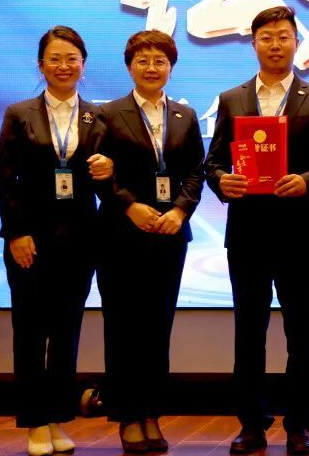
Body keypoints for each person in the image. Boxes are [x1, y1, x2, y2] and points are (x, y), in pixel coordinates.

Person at [205, 5, 309, 455]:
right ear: (254, 44)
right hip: (247, 234)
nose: (275, 45)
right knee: (248, 333)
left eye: (283, 36)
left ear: (295, 42)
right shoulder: (231, 99)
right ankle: (251, 424)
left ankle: (299, 424)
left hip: (299, 234)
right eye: (266, 37)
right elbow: (213, 162)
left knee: (300, 333)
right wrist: (222, 181)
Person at [0, 26, 113, 456]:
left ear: (83, 64)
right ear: (41, 65)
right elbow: (6, 177)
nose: (64, 66)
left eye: (72, 59)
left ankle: (59, 418)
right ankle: (34, 423)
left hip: (80, 240)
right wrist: (16, 232)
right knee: (30, 331)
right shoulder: (19, 113)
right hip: (31, 239)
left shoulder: (98, 116)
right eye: (55, 58)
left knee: (66, 332)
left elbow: (106, 184)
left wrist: (110, 171)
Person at [96, 30, 206, 454]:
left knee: (158, 329)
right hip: (121, 236)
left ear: (171, 67)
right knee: (123, 327)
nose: (151, 68)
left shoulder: (184, 115)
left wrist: (179, 210)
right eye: (142, 60)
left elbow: (195, 171)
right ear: (129, 67)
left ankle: (151, 414)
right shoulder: (108, 113)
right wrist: (129, 206)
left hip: (169, 235)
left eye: (160, 60)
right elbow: (98, 172)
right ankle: (127, 415)